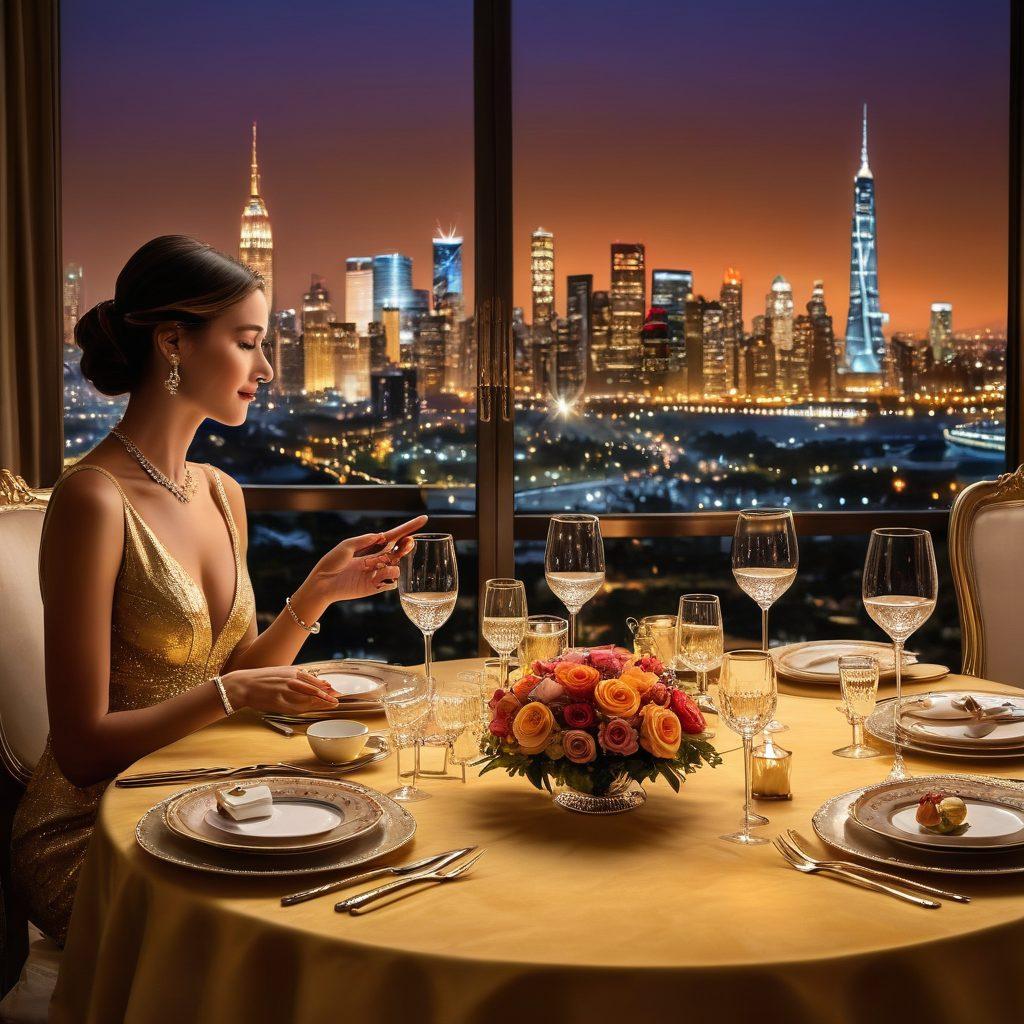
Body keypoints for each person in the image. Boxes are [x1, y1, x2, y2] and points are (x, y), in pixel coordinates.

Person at [10, 235, 426, 945]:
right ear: (174, 342)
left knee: (384, 869)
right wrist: (233, 697)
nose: (266, 367)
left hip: (211, 796)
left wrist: (315, 594)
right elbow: (81, 750)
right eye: (248, 342)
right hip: (96, 835)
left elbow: (235, 674)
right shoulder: (95, 499)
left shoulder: (221, 491)